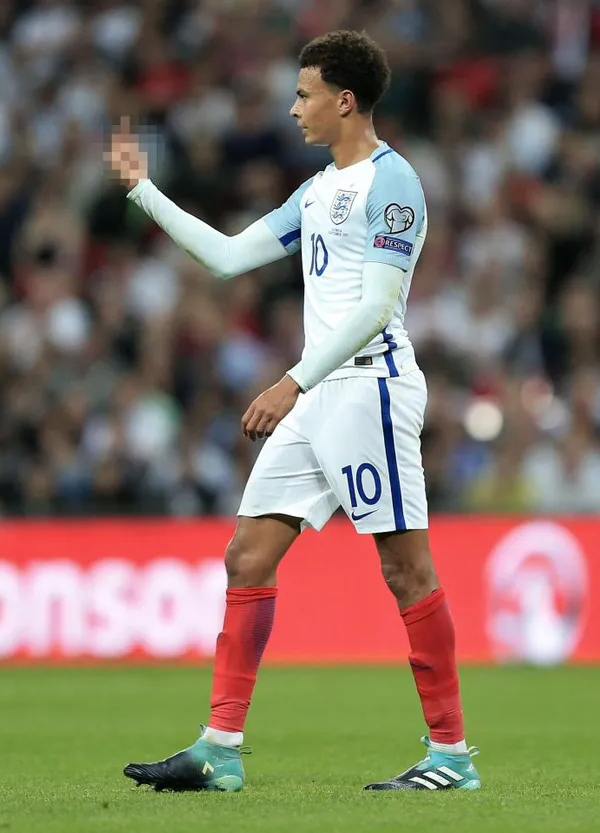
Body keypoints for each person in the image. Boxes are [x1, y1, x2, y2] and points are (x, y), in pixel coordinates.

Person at [107, 30, 481, 793]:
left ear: (345, 100)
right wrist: (142, 188)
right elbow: (226, 256)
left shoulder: (394, 182)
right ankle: (220, 746)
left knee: (404, 567)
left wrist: (292, 381)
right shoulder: (315, 192)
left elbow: (377, 307)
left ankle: (450, 755)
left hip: (368, 388)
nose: (293, 106)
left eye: (305, 93)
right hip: (318, 396)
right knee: (246, 555)